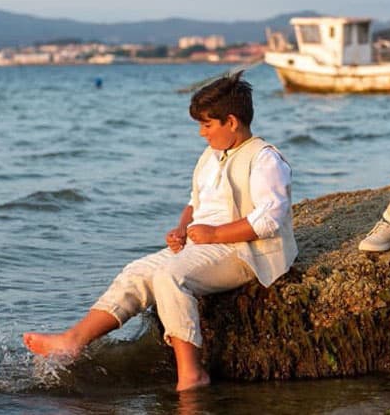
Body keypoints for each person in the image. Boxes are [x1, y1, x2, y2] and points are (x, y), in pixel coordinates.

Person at [23, 72, 297, 391]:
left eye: (207, 125)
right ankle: (74, 339)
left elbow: (270, 219)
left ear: (232, 122)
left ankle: (191, 373)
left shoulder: (264, 159)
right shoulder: (210, 157)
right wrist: (182, 229)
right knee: (136, 271)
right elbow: (194, 203)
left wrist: (214, 234)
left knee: (170, 277)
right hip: (203, 245)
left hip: (246, 251)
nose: (201, 133)